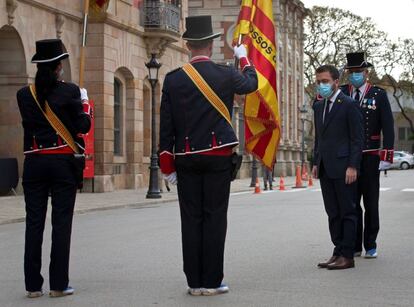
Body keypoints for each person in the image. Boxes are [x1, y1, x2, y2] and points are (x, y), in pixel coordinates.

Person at [158, 15, 257, 295]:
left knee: (190, 219)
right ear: (211, 47)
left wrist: (167, 165)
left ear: (188, 45)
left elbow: (166, 126)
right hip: (218, 156)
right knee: (214, 218)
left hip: (186, 158)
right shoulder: (226, 74)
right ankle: (212, 281)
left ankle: (194, 282)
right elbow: (251, 84)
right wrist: (244, 57)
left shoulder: (174, 79)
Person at [16, 39, 92, 298]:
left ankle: (33, 285)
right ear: (58, 66)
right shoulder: (70, 91)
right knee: (61, 224)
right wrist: (85, 103)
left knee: (33, 224)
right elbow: (83, 127)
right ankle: (59, 284)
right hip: (61, 163)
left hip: (35, 163)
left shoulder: (24, 94)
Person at [340, 52, 395, 258]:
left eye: (358, 72)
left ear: (366, 72)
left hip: (371, 156)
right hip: (349, 158)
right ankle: (354, 245)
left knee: (371, 202)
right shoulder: (342, 92)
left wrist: (386, 156)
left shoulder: (378, 95)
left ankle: (370, 243)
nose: (354, 75)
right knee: (351, 203)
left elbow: (388, 127)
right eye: (351, 72)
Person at [312, 65, 363, 270]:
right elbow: (319, 139)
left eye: (324, 81)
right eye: (318, 82)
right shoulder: (318, 106)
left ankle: (348, 255)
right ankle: (338, 250)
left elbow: (357, 139)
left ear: (335, 81)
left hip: (344, 168)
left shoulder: (349, 104)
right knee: (332, 212)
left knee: (347, 212)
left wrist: (353, 166)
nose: (321, 86)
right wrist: (316, 162)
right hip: (325, 167)